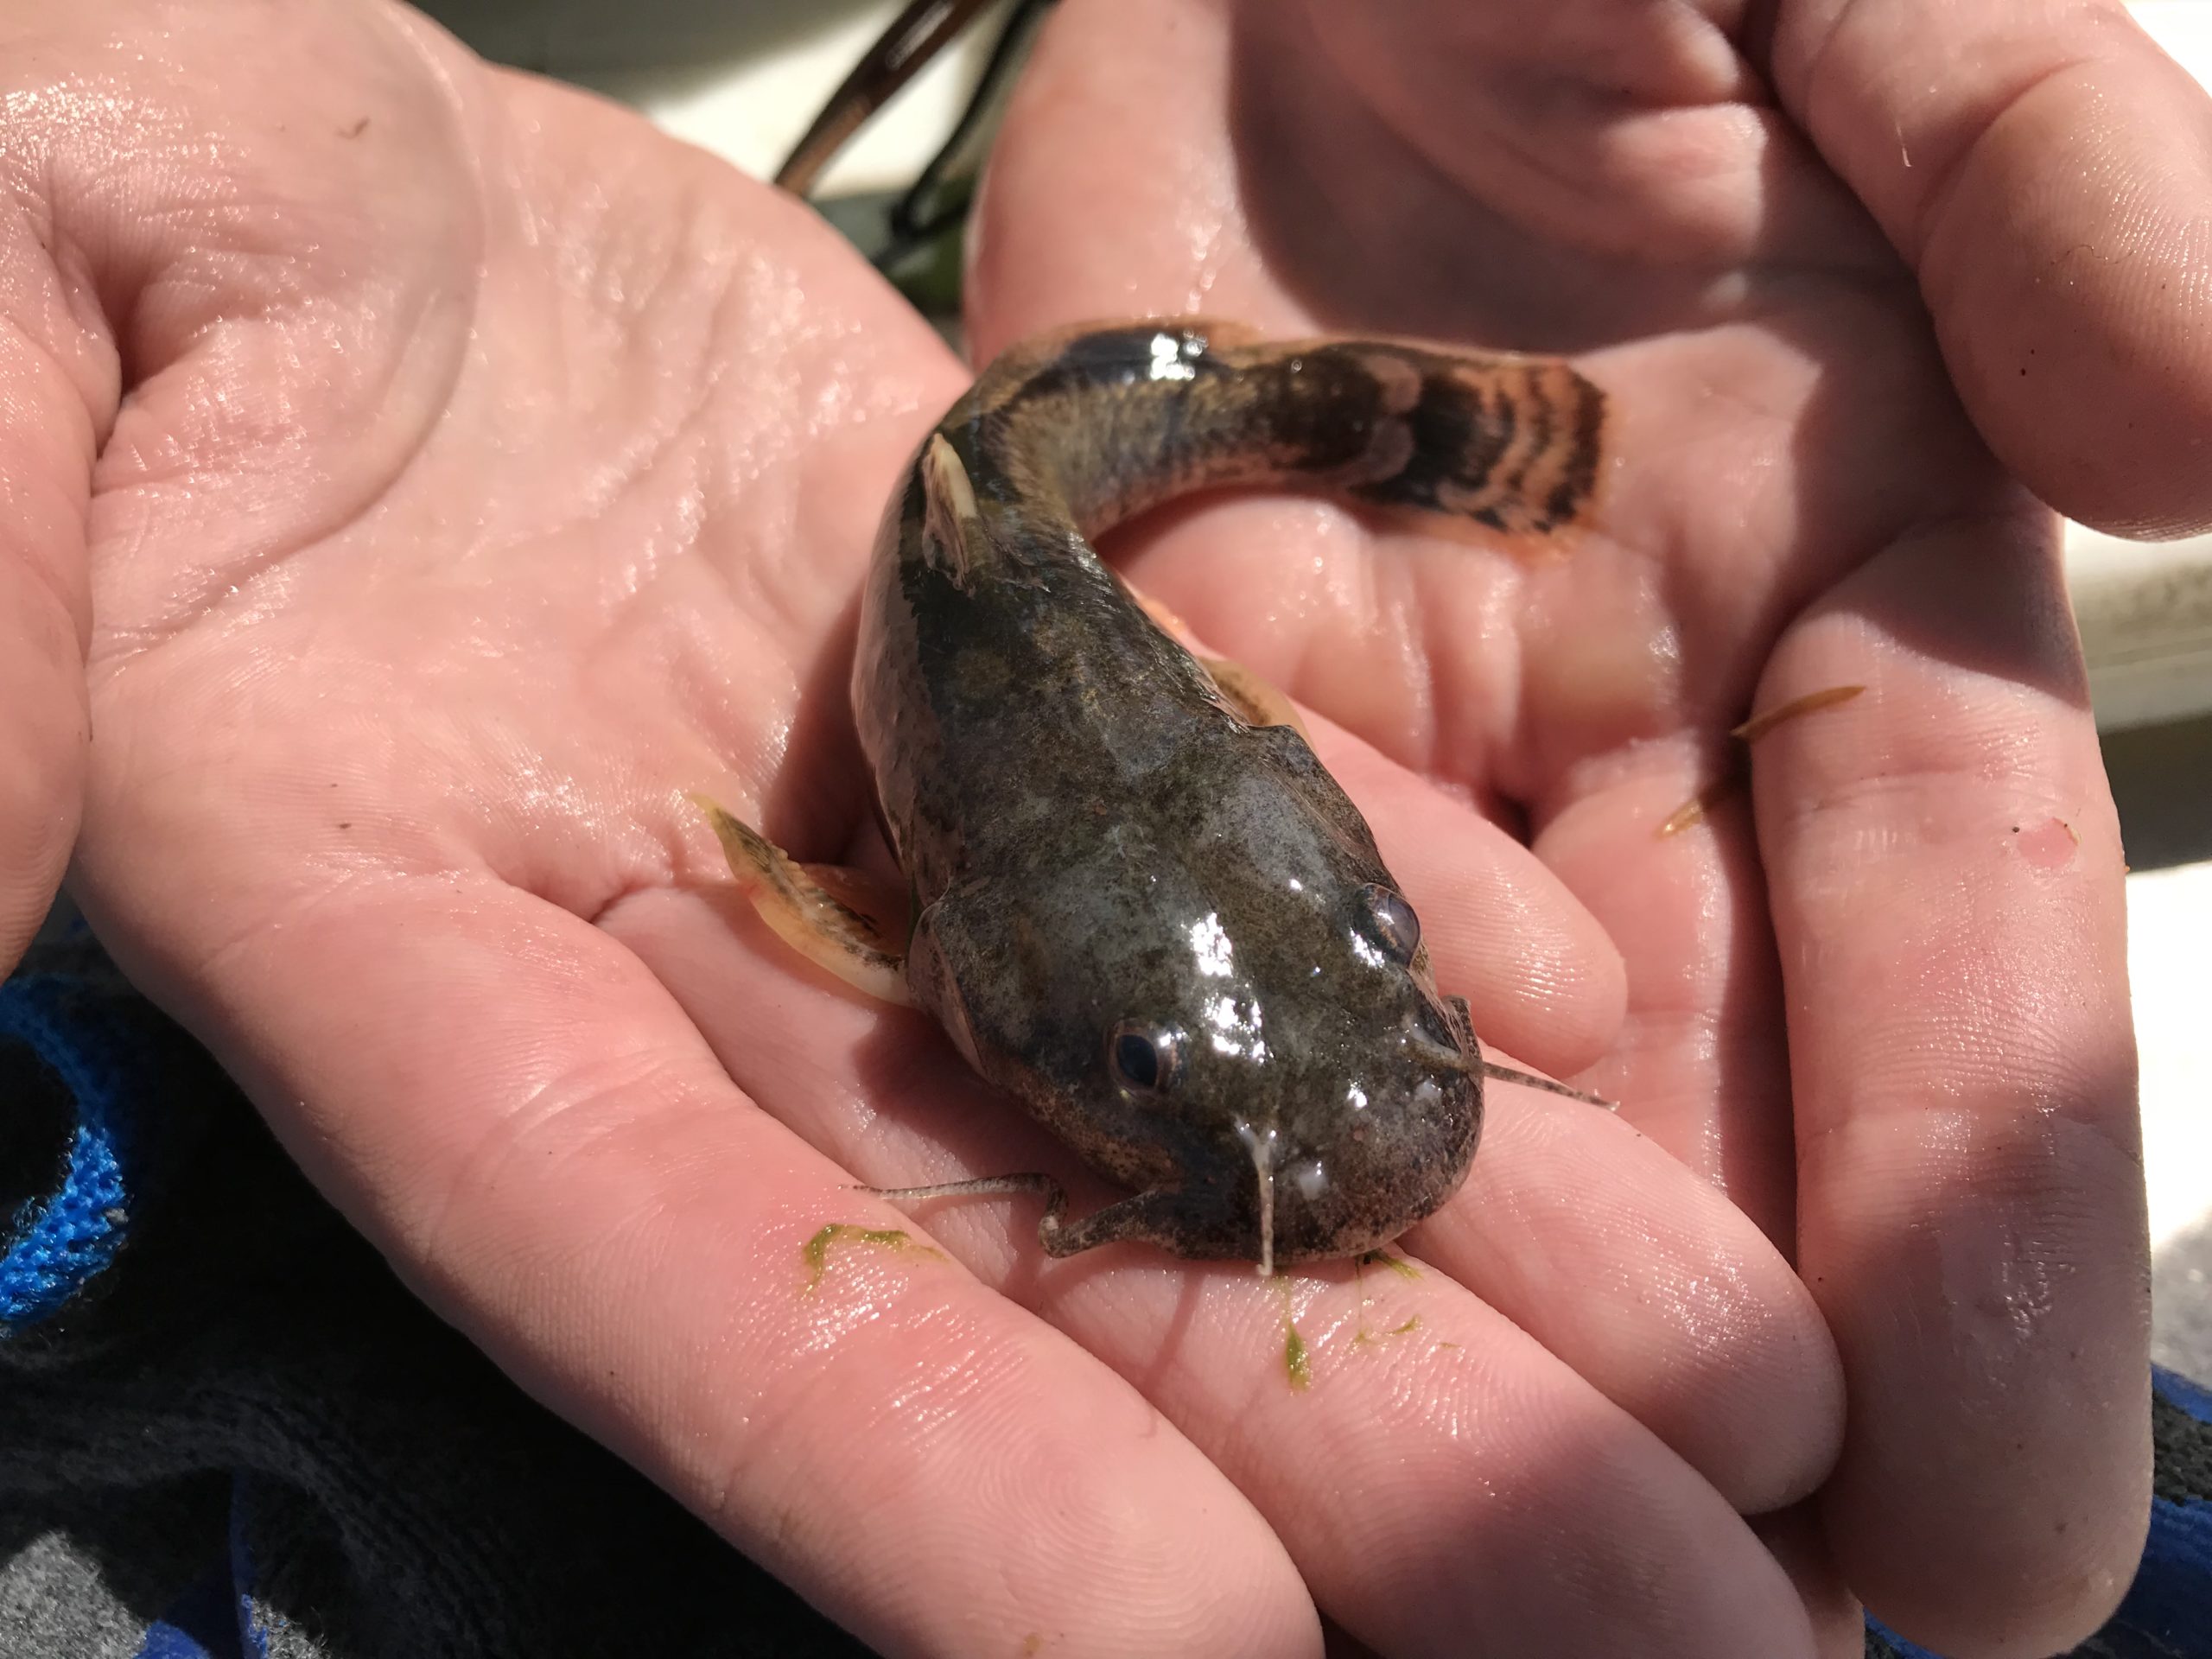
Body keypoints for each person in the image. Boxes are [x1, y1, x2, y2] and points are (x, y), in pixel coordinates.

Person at [0, 0, 2199, 1653]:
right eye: (1143, 1075)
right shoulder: (909, 914)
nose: (1369, 1090)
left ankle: (1340, 419)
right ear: (914, 930)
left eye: (1380, 966)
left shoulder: (1107, 823)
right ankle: (1347, 423)